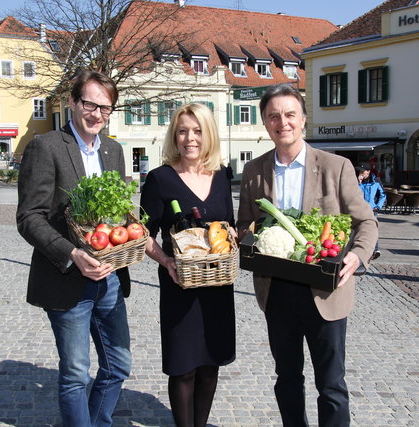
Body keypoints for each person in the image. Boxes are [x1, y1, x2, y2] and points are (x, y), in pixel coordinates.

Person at [237, 84, 378, 427]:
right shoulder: (254, 171)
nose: (281, 122)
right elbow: (244, 225)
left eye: (289, 114)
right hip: (277, 290)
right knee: (286, 378)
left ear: (302, 119)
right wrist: (249, 241)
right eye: (273, 116)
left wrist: (357, 256)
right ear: (265, 123)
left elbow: (366, 222)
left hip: (325, 290)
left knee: (331, 384)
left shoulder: (336, 166)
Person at [16, 70, 132, 426]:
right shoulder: (46, 147)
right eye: (89, 104)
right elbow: (29, 217)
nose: (97, 114)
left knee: (119, 365)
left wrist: (131, 230)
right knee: (76, 374)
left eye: (106, 108)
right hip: (67, 279)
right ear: (72, 102)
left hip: (109, 277)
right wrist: (72, 254)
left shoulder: (114, 150)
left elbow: (121, 212)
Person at [140, 103, 236, 427]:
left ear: (208, 134)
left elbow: (230, 225)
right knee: (183, 369)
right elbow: (143, 234)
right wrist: (166, 260)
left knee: (210, 367)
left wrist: (234, 236)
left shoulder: (222, 176)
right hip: (179, 285)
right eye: (182, 130)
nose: (189, 138)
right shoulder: (160, 179)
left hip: (218, 287)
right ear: (174, 135)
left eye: (197, 130)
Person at [356, 165, 386, 260]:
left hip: (372, 209)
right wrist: (358, 182)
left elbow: (383, 194)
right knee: (360, 229)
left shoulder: (376, 181)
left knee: (372, 229)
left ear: (368, 171)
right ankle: (360, 250)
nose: (361, 173)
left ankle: (376, 250)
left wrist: (378, 206)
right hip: (360, 209)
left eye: (362, 172)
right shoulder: (356, 181)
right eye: (360, 172)